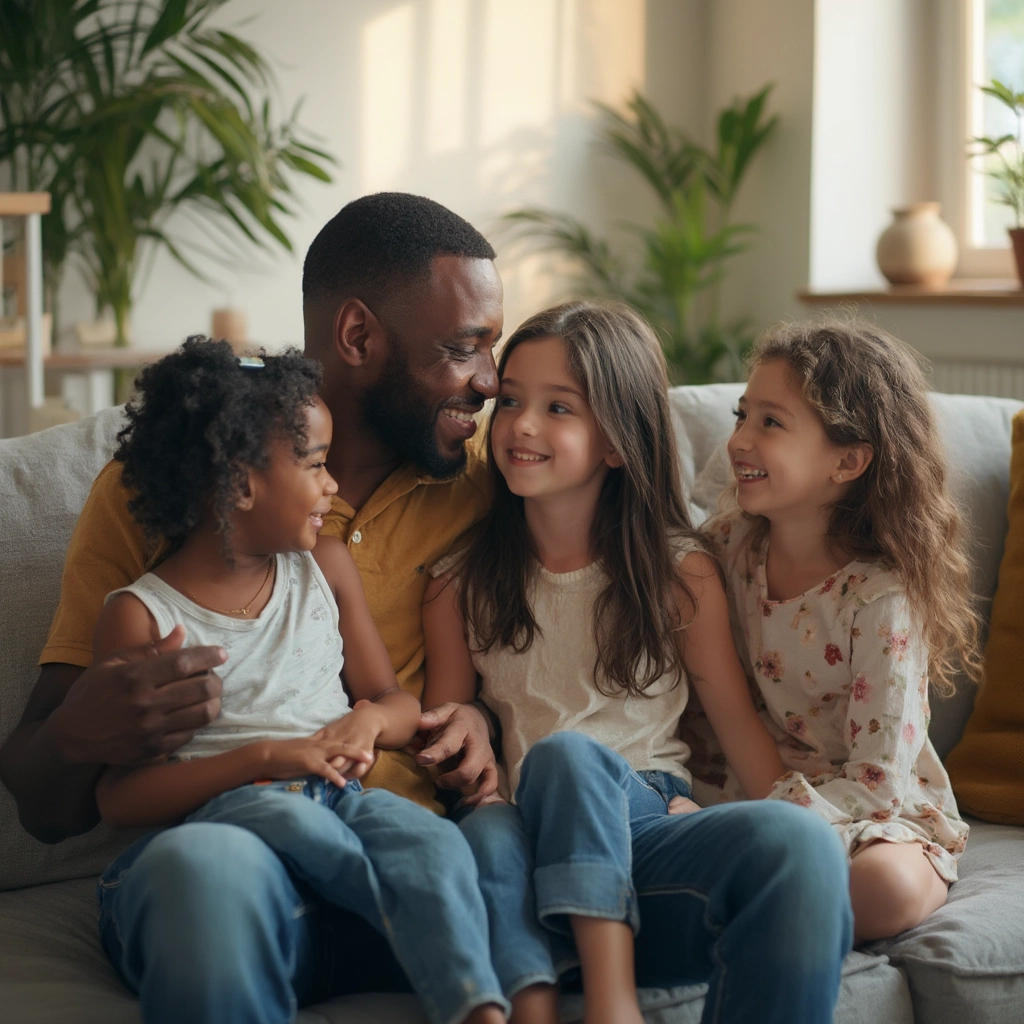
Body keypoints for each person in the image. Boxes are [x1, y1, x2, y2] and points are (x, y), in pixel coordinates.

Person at [0, 193, 505, 1017]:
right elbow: (51, 796)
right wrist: (79, 730)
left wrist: (475, 714)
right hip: (229, 858)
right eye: (461, 348)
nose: (490, 381)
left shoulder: (493, 479)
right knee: (207, 873)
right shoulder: (151, 506)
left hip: (395, 844)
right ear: (357, 337)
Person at [421, 301, 853, 1024]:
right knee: (556, 765)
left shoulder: (680, 575)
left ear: (618, 443)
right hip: (526, 838)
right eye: (513, 402)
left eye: (559, 407)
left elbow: (739, 730)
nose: (522, 425)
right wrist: (463, 731)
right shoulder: (458, 580)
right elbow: (450, 728)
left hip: (647, 827)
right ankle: (602, 999)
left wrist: (789, 817)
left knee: (799, 843)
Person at [91, 339, 507, 1024]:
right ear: (239, 485)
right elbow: (120, 797)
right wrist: (266, 758)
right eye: (315, 464)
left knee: (429, 840)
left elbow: (397, 702)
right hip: (231, 813)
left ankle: (475, 1007)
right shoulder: (143, 615)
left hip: (340, 797)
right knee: (285, 812)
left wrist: (368, 723)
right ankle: (382, 906)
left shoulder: (325, 569)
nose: (332, 485)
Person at [689, 318, 980, 943]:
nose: (739, 438)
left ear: (847, 461)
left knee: (883, 889)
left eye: (770, 422)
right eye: (743, 415)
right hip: (742, 787)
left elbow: (878, 783)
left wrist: (772, 820)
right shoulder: (727, 547)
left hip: (867, 811)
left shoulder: (881, 599)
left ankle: (774, 898)